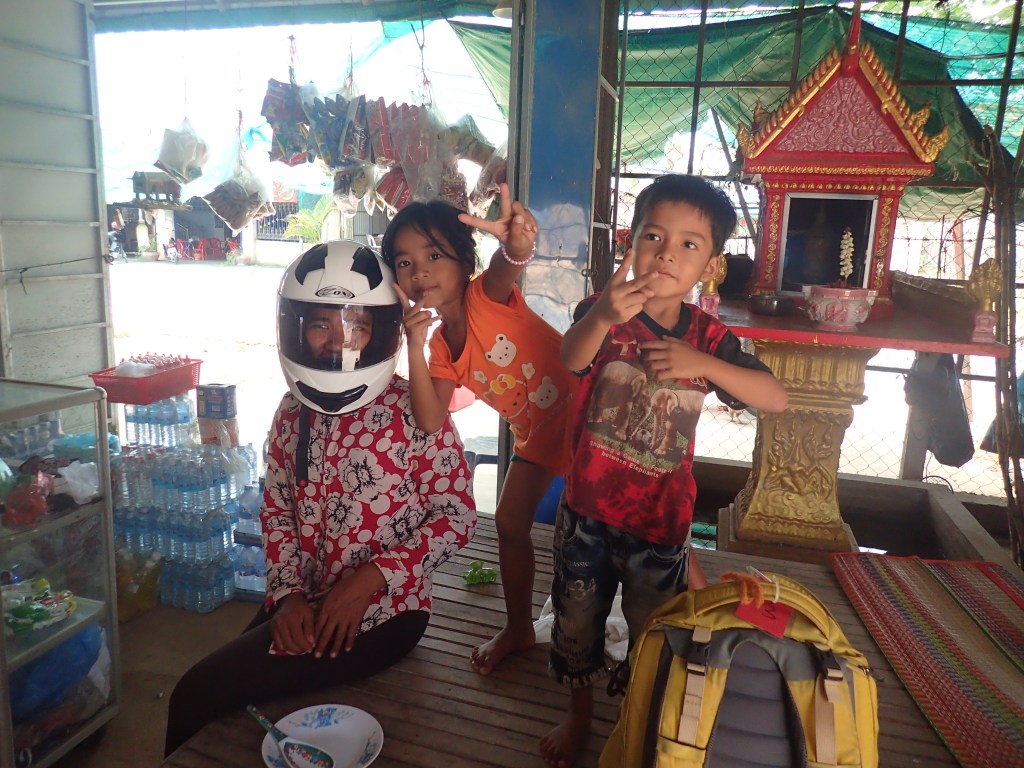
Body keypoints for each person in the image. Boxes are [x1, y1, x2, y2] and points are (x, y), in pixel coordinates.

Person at [163, 241, 477, 755]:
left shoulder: (414, 410)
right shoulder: (292, 410)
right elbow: (276, 510)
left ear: (384, 330)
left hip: (386, 612)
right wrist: (286, 595)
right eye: (320, 325)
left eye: (357, 326)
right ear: (295, 328)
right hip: (303, 602)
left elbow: (457, 517)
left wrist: (370, 579)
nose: (338, 341)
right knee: (212, 695)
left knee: (197, 694)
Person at [540, 174, 789, 767]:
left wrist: (700, 362)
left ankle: (637, 719)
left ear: (711, 264)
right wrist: (603, 315)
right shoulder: (602, 313)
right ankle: (579, 716)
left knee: (657, 634)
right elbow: (570, 358)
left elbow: (775, 398)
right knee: (576, 628)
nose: (666, 254)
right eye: (653, 236)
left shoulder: (709, 338)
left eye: (688, 244)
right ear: (630, 242)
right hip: (587, 516)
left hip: (660, 527)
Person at [381, 183, 578, 675]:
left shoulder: (484, 296)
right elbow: (430, 419)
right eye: (404, 262)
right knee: (510, 524)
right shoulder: (438, 349)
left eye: (433, 255)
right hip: (539, 437)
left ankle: (686, 605)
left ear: (464, 262)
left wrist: (516, 245)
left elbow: (509, 263)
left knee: (613, 528)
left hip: (588, 418)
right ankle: (519, 628)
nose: (420, 270)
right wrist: (413, 342)